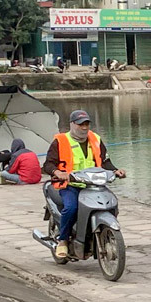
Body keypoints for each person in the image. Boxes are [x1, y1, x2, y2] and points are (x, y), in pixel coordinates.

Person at [42, 110, 125, 259]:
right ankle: (63, 240)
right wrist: (57, 172)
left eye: (86, 124)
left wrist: (116, 170)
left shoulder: (96, 139)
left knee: (111, 203)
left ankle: (105, 234)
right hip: (69, 185)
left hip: (93, 185)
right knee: (71, 207)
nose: (84, 127)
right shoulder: (60, 141)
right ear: (72, 124)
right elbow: (48, 164)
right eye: (81, 124)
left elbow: (105, 162)